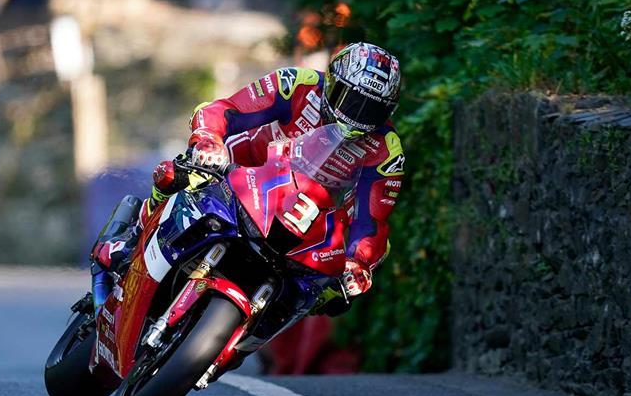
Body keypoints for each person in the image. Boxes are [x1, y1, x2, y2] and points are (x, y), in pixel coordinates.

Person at [95, 42, 404, 304]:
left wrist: (357, 262)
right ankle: (133, 237)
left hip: (307, 220)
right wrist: (208, 138)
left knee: (329, 292)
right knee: (178, 174)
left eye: (371, 110)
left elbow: (371, 221)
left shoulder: (387, 150)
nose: (356, 116)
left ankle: (245, 337)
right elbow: (225, 110)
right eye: (351, 101)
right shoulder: (298, 83)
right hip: (242, 171)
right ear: (333, 83)